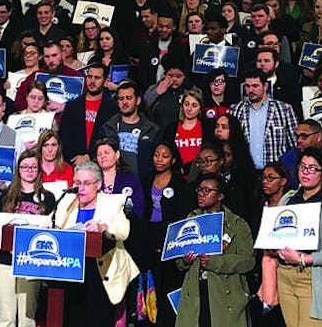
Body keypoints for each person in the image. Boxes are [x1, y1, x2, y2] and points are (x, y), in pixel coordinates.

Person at [268, 146, 322, 327]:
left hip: (315, 279)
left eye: (313, 168)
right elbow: (277, 234)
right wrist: (274, 246)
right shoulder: (288, 199)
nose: (306, 172)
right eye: (302, 167)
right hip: (286, 276)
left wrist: (304, 258)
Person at [54, 160, 138, 327]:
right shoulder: (66, 201)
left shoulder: (112, 202)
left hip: (101, 273)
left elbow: (123, 231)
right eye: (77, 183)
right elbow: (59, 227)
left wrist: (103, 227)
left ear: (98, 184)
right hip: (74, 271)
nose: (81, 188)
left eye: (86, 183)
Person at [175, 172, 255, 327]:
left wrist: (215, 262)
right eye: (199, 190)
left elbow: (248, 261)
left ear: (220, 196)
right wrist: (184, 260)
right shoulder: (191, 220)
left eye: (207, 191)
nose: (201, 194)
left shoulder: (237, 225)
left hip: (224, 294)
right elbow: (178, 261)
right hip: (196, 292)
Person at [0, 150, 55, 327]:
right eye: (25, 166)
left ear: (39, 169)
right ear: (18, 170)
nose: (29, 170)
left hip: (31, 262)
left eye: (33, 166)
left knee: (27, 317)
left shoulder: (48, 198)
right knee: (6, 315)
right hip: (5, 260)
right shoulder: (6, 196)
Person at [142, 140, 190, 327]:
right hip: (149, 238)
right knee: (149, 291)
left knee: (167, 290)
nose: (159, 160)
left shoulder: (180, 184)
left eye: (165, 156)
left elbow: (182, 215)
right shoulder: (146, 180)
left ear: (173, 160)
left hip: (170, 242)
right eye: (156, 155)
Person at [230, 69, 298, 169]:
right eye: (247, 86)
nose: (251, 90)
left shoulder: (284, 109)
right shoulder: (235, 110)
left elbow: (295, 144)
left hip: (276, 173)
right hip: (246, 172)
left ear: (265, 86)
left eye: (255, 86)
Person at [58, 62, 118, 165]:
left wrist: (90, 156)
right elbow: (64, 136)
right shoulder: (72, 106)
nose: (92, 81)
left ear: (105, 81)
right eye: (89, 77)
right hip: (74, 163)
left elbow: (112, 139)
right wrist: (76, 158)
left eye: (97, 77)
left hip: (102, 163)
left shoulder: (113, 108)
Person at [101, 79, 161, 180]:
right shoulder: (107, 128)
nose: (124, 102)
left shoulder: (152, 130)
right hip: (114, 182)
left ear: (138, 101)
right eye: (121, 99)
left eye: (129, 98)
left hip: (142, 184)